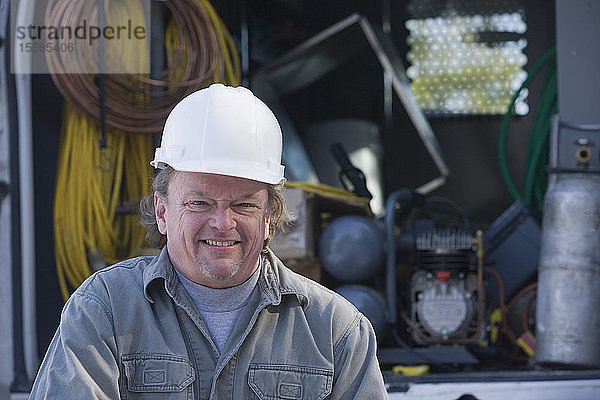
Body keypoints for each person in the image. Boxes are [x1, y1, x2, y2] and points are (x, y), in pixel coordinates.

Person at [29, 84, 388, 399]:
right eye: (200, 202)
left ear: (269, 217)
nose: (222, 223)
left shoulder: (336, 330)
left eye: (243, 204)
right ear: (163, 210)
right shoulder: (103, 310)